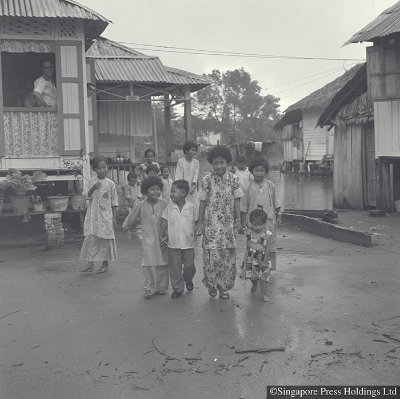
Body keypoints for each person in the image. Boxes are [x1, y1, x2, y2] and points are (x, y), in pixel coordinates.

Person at [196, 146, 243, 299]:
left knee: (227, 255)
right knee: (211, 255)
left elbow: (237, 200)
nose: (219, 166)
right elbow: (202, 202)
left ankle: (224, 287)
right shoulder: (207, 180)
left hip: (228, 224)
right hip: (211, 224)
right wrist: (200, 222)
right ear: (211, 164)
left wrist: (239, 220)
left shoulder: (234, 179)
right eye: (215, 163)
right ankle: (211, 284)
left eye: (222, 162)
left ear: (227, 162)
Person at [122, 176, 169, 299]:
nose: (156, 192)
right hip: (148, 239)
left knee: (162, 262)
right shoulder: (141, 205)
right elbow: (132, 217)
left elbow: (170, 219)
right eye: (152, 189)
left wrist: (168, 234)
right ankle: (148, 288)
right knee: (148, 264)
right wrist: (127, 226)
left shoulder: (164, 204)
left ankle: (161, 287)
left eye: (158, 189)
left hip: (163, 238)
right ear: (145, 191)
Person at [240, 159, 281, 271]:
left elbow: (276, 202)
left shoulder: (270, 185)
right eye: (256, 170)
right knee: (253, 245)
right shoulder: (248, 187)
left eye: (261, 170)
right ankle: (253, 267)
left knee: (270, 244)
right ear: (252, 172)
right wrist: (243, 222)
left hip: (268, 222)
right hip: (253, 223)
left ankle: (270, 268)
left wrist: (278, 216)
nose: (259, 173)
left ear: (266, 171)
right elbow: (243, 206)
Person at [80, 155, 118, 274]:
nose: (102, 170)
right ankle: (90, 263)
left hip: (106, 217)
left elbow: (115, 201)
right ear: (94, 170)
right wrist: (93, 188)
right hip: (93, 216)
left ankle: (105, 264)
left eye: (104, 167)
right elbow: (86, 196)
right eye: (99, 168)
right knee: (91, 237)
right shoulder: (91, 181)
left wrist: (114, 217)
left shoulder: (111, 184)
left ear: (107, 167)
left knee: (105, 239)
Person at [160, 180, 197, 298]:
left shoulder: (191, 208)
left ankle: (188, 279)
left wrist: (198, 230)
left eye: (173, 191)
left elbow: (196, 222)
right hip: (173, 244)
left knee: (189, 267)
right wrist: (161, 235)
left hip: (188, 244)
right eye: (171, 191)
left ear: (183, 193)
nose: (171, 194)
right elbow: (164, 221)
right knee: (175, 267)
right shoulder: (169, 208)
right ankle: (178, 288)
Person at [240, 207, 274, 302]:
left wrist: (265, 261)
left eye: (260, 224)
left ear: (264, 223)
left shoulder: (267, 234)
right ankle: (254, 284)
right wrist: (240, 221)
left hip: (263, 258)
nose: (257, 227)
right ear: (251, 223)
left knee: (263, 278)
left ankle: (264, 294)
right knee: (252, 277)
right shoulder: (249, 231)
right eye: (255, 224)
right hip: (251, 258)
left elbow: (268, 249)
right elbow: (239, 230)